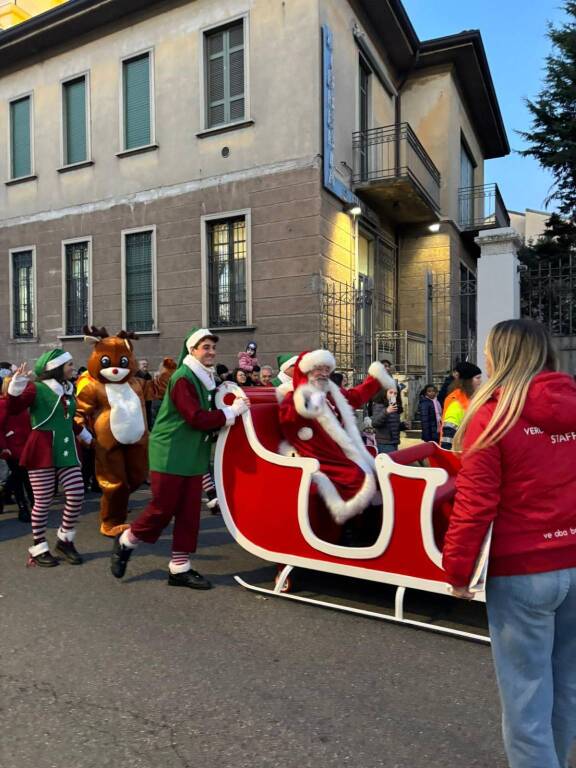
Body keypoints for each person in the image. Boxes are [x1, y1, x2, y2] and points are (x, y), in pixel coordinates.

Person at [442, 319, 576, 768]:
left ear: (499, 356)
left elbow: (475, 504)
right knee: (566, 687)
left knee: (526, 700)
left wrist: (457, 570)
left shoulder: (493, 416)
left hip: (523, 570)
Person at [110, 328, 249, 589]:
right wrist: (231, 412)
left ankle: (179, 567)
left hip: (191, 452)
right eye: (205, 347)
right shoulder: (184, 377)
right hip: (171, 451)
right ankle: (127, 540)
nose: (211, 352)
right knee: (162, 509)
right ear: (192, 350)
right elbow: (195, 417)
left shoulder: (205, 377)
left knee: (189, 513)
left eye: (213, 347)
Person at [279, 350, 394, 534]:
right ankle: (352, 532)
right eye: (318, 369)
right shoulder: (295, 398)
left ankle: (374, 527)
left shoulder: (331, 393)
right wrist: (308, 401)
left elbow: (354, 397)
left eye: (327, 369)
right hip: (317, 456)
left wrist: (375, 378)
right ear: (306, 371)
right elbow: (290, 419)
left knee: (379, 474)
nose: (324, 373)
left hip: (339, 452)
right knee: (358, 478)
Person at [75, 327, 175, 537]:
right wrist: (84, 435)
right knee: (114, 483)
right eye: (106, 362)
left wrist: (167, 372)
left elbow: (157, 389)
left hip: (137, 441)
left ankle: (116, 504)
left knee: (137, 476)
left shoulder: (136, 383)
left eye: (121, 362)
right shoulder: (94, 387)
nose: (114, 369)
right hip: (107, 443)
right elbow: (79, 411)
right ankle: (110, 522)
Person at [7, 350, 93, 566]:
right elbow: (14, 408)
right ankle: (39, 547)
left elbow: (65, 419)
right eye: (69, 364)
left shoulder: (68, 389)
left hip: (66, 447)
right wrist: (17, 385)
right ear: (56, 367)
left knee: (76, 493)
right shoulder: (36, 388)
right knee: (43, 500)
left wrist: (84, 433)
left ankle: (65, 540)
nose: (73, 367)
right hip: (42, 448)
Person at [0, 375, 33, 522]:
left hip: (25, 445)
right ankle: (23, 507)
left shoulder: (22, 403)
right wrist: (3, 447)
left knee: (21, 476)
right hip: (12, 446)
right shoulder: (3, 404)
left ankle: (5, 493)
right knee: (21, 477)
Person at [440, 361, 482, 450]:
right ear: (468, 380)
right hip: (458, 451)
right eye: (477, 378)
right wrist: (447, 453)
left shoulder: (470, 397)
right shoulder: (455, 401)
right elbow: (448, 434)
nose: (480, 381)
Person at [371, 387, 401, 454]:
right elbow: (375, 423)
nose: (393, 395)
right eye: (390, 392)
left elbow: (392, 425)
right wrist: (386, 411)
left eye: (395, 393)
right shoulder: (379, 405)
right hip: (384, 443)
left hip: (394, 442)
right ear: (385, 393)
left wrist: (403, 425)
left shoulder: (394, 406)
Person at [135, 358, 153, 429]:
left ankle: (148, 427)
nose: (145, 365)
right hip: (139, 399)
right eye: (143, 364)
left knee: (148, 414)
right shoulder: (136, 376)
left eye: (146, 364)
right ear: (139, 366)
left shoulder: (149, 376)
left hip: (148, 399)